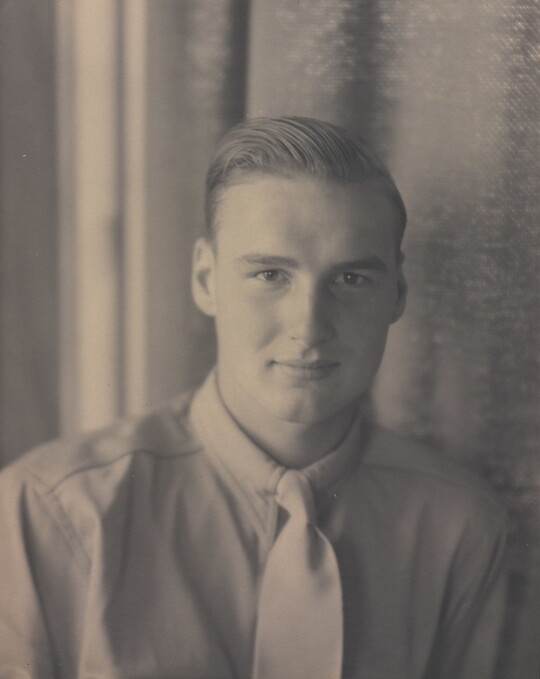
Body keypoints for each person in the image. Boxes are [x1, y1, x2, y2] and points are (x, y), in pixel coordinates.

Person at [0, 117, 507, 679]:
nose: (309, 328)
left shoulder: (460, 527)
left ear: (398, 293)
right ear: (205, 279)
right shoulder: (51, 513)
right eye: (270, 275)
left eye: (351, 280)